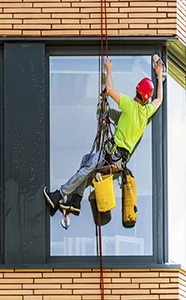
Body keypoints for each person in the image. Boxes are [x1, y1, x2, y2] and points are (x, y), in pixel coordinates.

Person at [44, 57, 164, 217]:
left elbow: (109, 89)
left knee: (86, 169)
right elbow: (159, 99)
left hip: (111, 154)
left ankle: (59, 195)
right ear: (146, 97)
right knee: (86, 160)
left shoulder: (130, 105)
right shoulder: (146, 111)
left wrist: (108, 70)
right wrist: (160, 75)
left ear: (137, 91)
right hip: (119, 159)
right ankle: (75, 202)